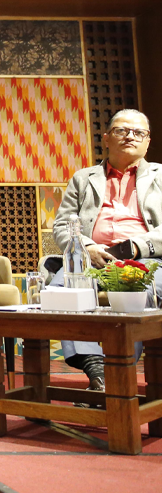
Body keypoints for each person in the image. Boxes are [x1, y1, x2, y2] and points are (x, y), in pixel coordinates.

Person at [52, 109, 161, 400]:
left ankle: (116, 371)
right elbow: (62, 225)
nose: (130, 137)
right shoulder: (83, 178)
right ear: (106, 138)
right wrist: (87, 247)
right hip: (91, 258)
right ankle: (96, 367)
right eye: (121, 130)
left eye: (138, 133)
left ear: (147, 142)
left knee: (137, 288)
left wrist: (137, 246)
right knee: (60, 290)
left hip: (145, 259)